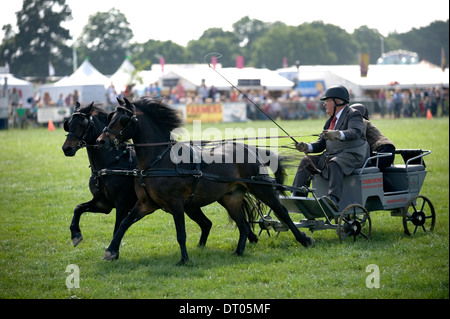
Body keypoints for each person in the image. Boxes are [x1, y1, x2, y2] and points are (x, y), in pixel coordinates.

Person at [292, 85, 370, 210]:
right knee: (307, 161)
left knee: (335, 163)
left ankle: (333, 199)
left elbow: (356, 132)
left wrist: (338, 134)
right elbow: (321, 144)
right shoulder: (330, 121)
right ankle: (298, 195)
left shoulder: (353, 114)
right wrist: (307, 147)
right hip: (332, 155)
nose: (324, 104)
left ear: (337, 101)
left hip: (352, 155)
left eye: (327, 101)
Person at [351, 103, 395, 171]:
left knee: (371, 171)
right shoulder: (365, 122)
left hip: (383, 149)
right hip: (386, 149)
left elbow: (358, 137)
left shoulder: (361, 121)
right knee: (373, 170)